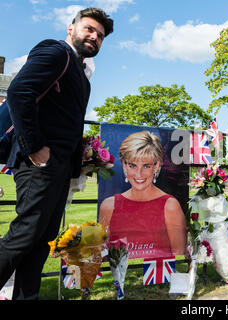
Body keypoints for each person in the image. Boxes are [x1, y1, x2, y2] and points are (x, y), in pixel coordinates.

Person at [0, 8, 113, 300]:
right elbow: (19, 92)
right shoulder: (55, 52)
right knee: (26, 233)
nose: (94, 37)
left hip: (59, 168)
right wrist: (34, 145)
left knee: (41, 241)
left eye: (100, 36)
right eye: (89, 29)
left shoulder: (82, 76)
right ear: (70, 28)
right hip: (38, 162)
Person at [99, 131, 187, 259]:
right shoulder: (108, 206)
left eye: (146, 166)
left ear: (157, 165)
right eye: (132, 165)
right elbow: (104, 257)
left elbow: (179, 257)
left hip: (160, 277)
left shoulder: (170, 206)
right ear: (124, 164)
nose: (139, 174)